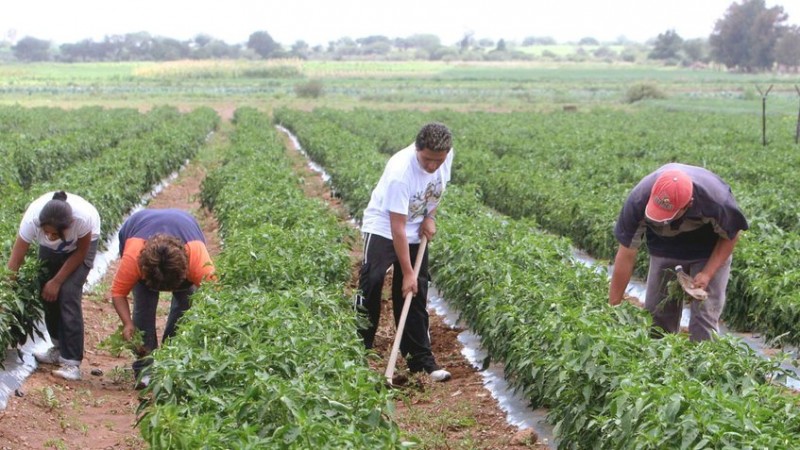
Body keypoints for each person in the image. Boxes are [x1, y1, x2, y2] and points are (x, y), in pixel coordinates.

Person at [355, 122, 454, 382]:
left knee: (415, 291)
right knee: (372, 282)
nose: (433, 166)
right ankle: (356, 354)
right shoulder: (401, 172)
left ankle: (421, 362)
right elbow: (397, 228)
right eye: (427, 160)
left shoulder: (445, 156)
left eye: (438, 161)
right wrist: (407, 272)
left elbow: (433, 195)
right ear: (417, 149)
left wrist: (430, 217)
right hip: (384, 227)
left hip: (414, 227)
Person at [609, 163, 748, 341]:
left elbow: (731, 236)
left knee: (704, 318)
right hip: (663, 246)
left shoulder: (716, 200)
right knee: (657, 317)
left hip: (708, 248)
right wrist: (613, 309)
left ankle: (704, 363)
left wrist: (707, 273)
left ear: (689, 204)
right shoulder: (638, 199)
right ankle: (660, 363)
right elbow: (626, 255)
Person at [110, 208, 215, 387]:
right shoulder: (134, 257)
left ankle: (173, 359)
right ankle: (146, 369)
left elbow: (217, 295)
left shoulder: (197, 258)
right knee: (144, 307)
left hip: (185, 225)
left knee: (185, 306)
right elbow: (118, 293)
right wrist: (128, 323)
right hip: (136, 226)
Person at [6, 191, 101, 381]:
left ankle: (72, 362)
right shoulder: (32, 220)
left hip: (83, 246)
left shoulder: (82, 219)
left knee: (68, 292)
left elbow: (81, 252)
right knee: (46, 291)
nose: (49, 237)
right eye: (46, 232)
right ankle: (58, 348)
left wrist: (57, 281)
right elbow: (15, 262)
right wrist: (6, 295)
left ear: (69, 225)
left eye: (54, 234)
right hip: (55, 249)